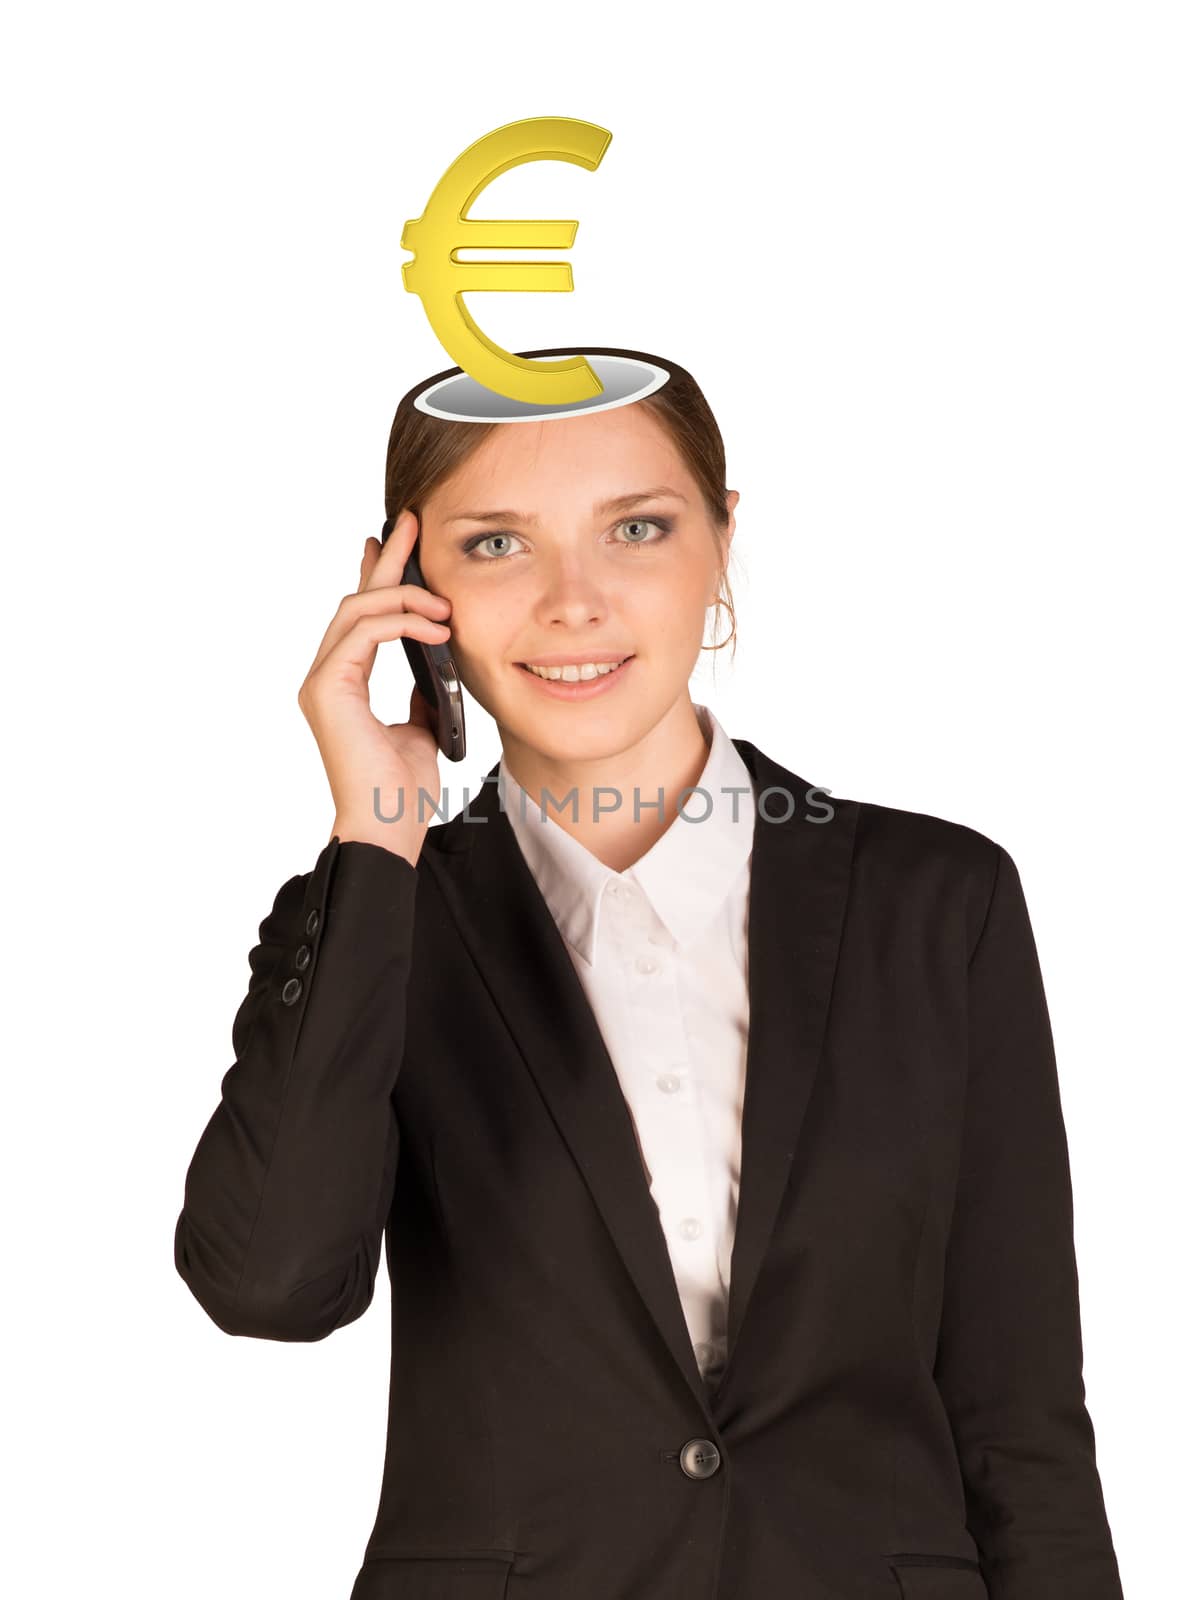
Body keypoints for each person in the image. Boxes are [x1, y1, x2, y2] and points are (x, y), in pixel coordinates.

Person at [173, 348, 1125, 1600]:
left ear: (723, 543)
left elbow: (1020, 1411)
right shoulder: (379, 916)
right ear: (408, 586)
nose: (574, 600)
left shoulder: (938, 904)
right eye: (498, 544)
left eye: (636, 527)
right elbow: (271, 1286)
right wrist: (375, 840)